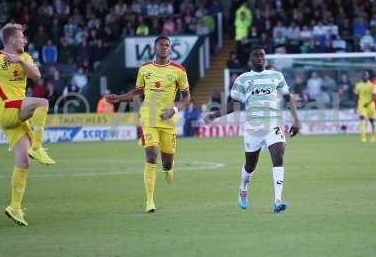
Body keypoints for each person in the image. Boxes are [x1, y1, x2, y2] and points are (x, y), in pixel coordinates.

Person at [204, 46, 301, 213]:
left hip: (274, 124)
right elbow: (233, 106)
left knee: (278, 158)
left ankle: (278, 199)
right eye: (255, 56)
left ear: (265, 58)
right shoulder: (243, 79)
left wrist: (296, 120)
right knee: (250, 165)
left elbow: (287, 98)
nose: (259, 58)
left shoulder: (276, 76)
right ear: (250, 59)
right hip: (253, 128)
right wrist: (214, 115)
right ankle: (243, 188)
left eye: (262, 55)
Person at [106, 36, 190, 213]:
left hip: (168, 120)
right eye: (161, 45)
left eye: (168, 46)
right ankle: (149, 201)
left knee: (167, 162)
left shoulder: (179, 70)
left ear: (170, 49)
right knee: (151, 155)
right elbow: (138, 91)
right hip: (148, 116)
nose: (165, 48)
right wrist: (119, 98)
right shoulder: (145, 69)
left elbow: (187, 98)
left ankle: (168, 168)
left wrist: (173, 110)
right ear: (155, 47)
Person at [0, 23, 55, 226]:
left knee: (23, 162)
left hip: (16, 114)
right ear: (11, 39)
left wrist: (20, 62)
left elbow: (37, 76)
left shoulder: (25, 57)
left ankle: (14, 207)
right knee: (42, 103)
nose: (25, 40)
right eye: (22, 37)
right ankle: (38, 147)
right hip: (5, 109)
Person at [354, 71, 376, 142]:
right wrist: (355, 106)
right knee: (362, 120)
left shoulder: (372, 85)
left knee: (372, 121)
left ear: (368, 76)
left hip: (370, 105)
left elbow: (374, 96)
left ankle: (373, 136)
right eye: (363, 75)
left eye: (366, 75)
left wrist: (368, 103)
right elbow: (356, 96)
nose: (364, 76)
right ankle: (363, 137)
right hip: (362, 105)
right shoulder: (358, 85)